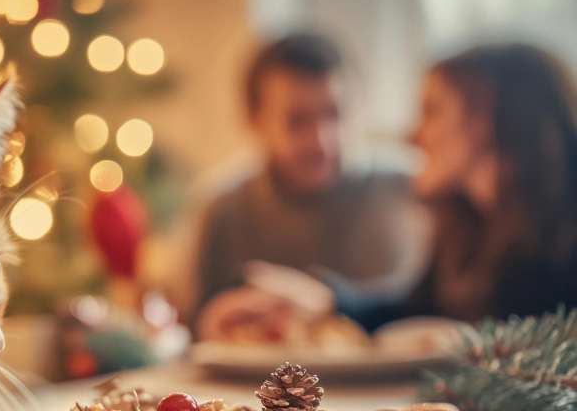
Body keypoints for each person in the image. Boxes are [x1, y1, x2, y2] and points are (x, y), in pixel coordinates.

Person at [209, 43, 577, 333]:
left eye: (432, 111)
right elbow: (415, 313)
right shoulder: (466, 227)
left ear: (491, 120)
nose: (412, 135)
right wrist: (325, 299)